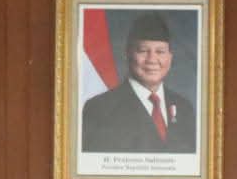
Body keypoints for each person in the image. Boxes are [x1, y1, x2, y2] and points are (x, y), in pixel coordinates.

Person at [80, 11, 198, 154]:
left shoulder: (184, 108)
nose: (152, 60)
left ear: (170, 58)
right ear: (128, 54)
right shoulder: (99, 109)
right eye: (143, 51)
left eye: (160, 52)